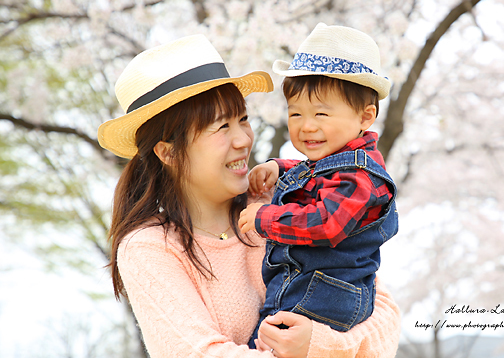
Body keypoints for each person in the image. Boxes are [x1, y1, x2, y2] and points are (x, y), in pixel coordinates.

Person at [97, 33, 401, 358]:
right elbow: (201, 353)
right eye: (221, 127)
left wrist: (319, 346)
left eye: (243, 119)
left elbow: (385, 318)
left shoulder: (281, 205)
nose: (243, 139)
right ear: (168, 152)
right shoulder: (150, 247)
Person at [238, 23, 399, 347]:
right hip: (306, 288)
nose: (307, 126)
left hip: (324, 296)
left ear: (365, 117)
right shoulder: (337, 165)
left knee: (266, 345)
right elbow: (314, 175)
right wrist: (277, 167)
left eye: (321, 113)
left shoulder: (360, 177)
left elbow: (324, 224)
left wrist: (264, 218)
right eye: (295, 114)